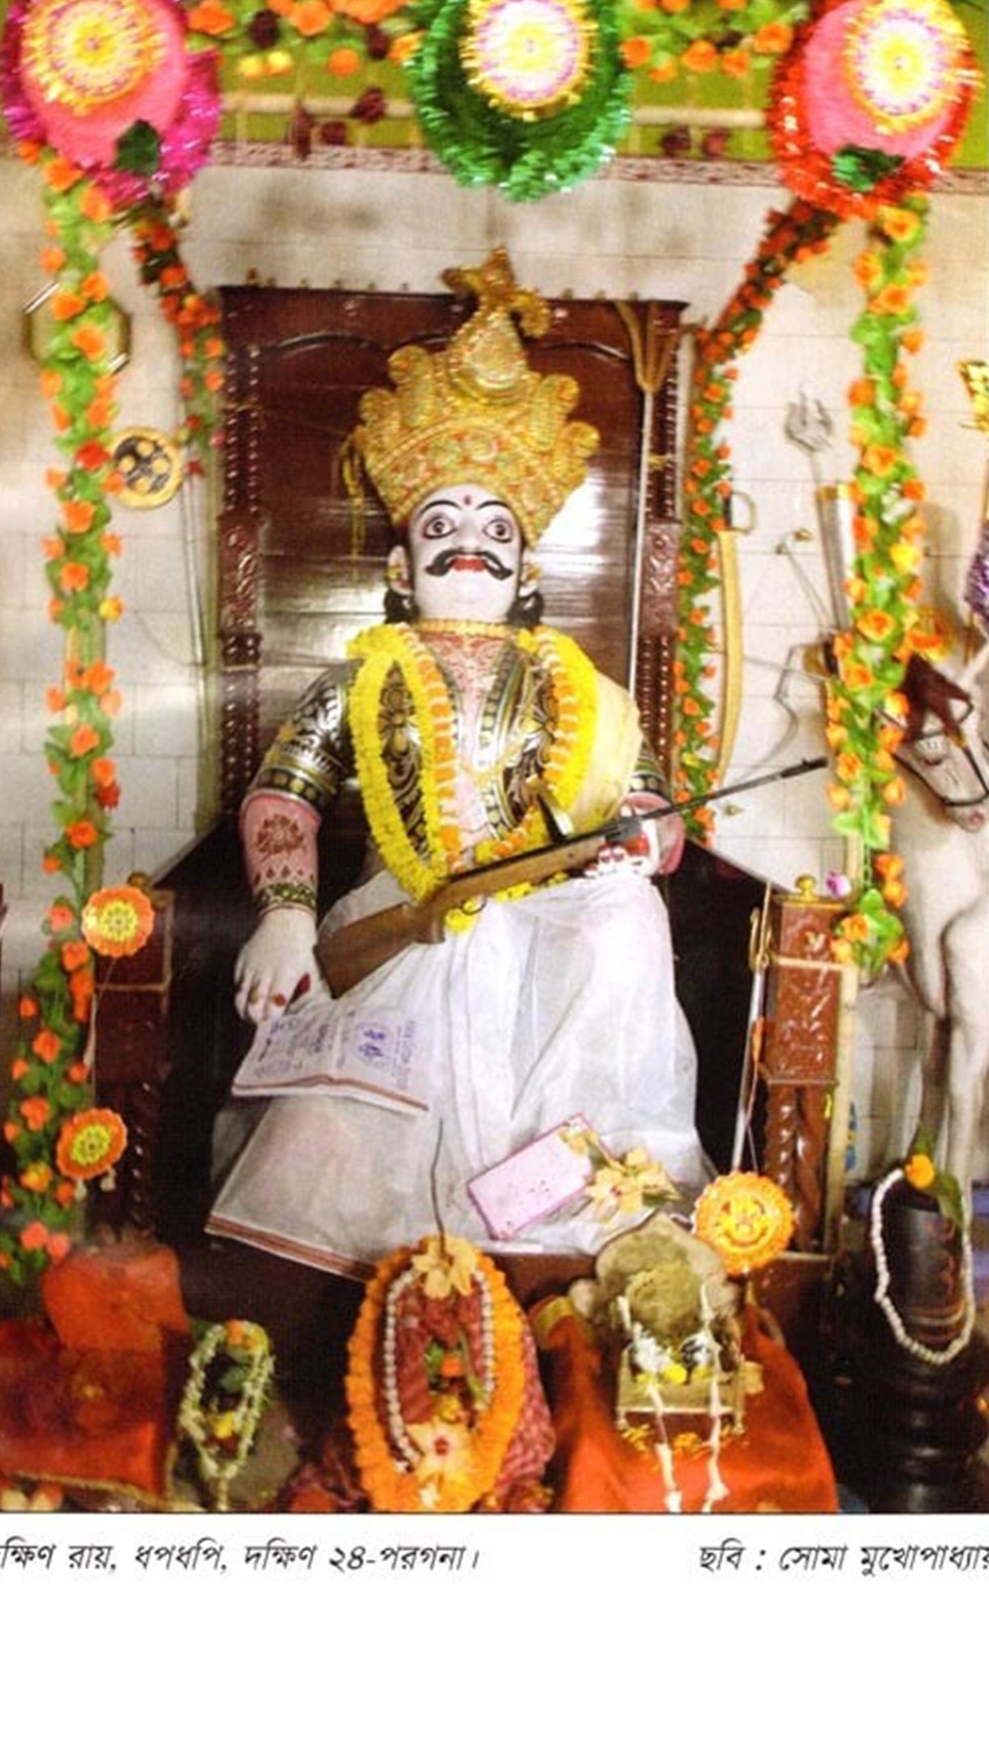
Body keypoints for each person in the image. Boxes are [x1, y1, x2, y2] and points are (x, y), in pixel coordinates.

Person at [206, 251, 709, 1277]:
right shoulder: (362, 677)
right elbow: (285, 794)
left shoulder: (586, 690)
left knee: (627, 918)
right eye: (441, 526)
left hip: (547, 931)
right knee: (376, 1068)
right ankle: (408, 1261)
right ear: (401, 568)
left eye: (494, 531)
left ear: (526, 570)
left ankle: (566, 1225)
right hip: (405, 924)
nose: (468, 544)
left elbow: (647, 797)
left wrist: (642, 836)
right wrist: (287, 912)